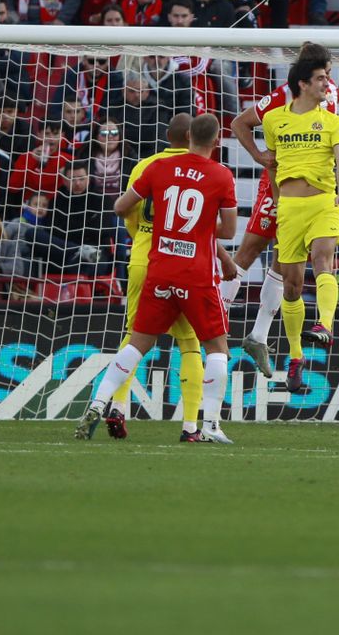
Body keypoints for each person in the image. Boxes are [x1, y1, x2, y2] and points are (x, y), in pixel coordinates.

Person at [78, 112, 239, 445]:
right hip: (195, 271)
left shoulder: (153, 167)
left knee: (136, 340)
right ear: (216, 139)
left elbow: (121, 207)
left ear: (175, 136)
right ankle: (201, 425)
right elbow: (229, 230)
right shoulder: (221, 175)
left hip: (154, 265)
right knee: (208, 347)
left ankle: (102, 402)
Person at [259, 52, 339, 393]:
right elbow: (271, 162)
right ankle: (295, 359)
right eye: (321, 79)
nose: (327, 84)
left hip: (324, 202)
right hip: (290, 209)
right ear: (303, 84)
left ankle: (325, 324)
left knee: (323, 259)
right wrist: (279, 198)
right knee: (292, 285)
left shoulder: (334, 122)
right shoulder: (274, 120)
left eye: (327, 79)